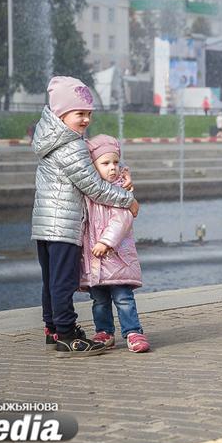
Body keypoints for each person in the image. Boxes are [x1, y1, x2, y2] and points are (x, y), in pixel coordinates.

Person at [32, 76, 139, 358]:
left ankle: (53, 329)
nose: (86, 120)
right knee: (63, 281)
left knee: (51, 279)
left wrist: (121, 173)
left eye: (89, 114)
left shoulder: (49, 139)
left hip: (45, 224)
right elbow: (93, 186)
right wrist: (127, 200)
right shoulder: (71, 145)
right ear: (60, 113)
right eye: (80, 113)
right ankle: (66, 334)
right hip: (64, 225)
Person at [80, 134, 150, 353]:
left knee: (123, 298)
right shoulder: (89, 191)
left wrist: (106, 242)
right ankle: (104, 332)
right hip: (95, 259)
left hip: (117, 256)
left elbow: (123, 219)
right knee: (99, 300)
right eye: (105, 163)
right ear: (93, 165)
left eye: (115, 162)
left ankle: (133, 331)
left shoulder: (121, 190)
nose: (112, 168)